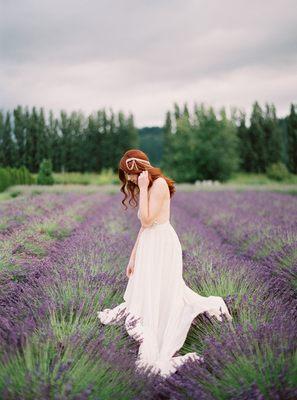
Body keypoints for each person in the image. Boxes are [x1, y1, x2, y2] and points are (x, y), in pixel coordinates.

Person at [98, 149, 232, 378]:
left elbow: (148, 220)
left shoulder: (157, 184)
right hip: (150, 243)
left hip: (163, 244)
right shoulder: (146, 186)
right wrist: (133, 256)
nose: (128, 179)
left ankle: (180, 321)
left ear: (140, 168)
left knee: (167, 289)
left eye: (130, 174)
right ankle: (152, 321)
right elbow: (143, 227)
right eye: (126, 176)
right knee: (149, 289)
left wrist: (141, 188)